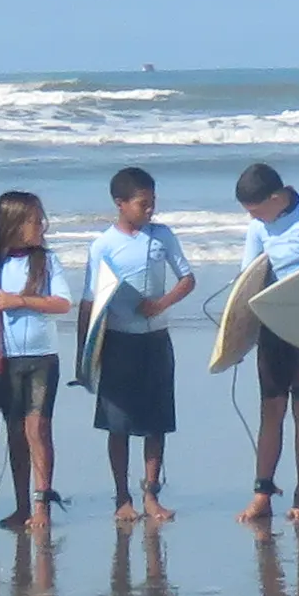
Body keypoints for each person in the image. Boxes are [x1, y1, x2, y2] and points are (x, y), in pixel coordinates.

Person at [230, 161, 299, 527]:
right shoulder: (258, 226)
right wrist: (237, 335)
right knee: (271, 407)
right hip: (274, 323)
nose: (256, 218)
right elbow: (249, 279)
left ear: (277, 198)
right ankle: (262, 492)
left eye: (258, 210)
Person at [87, 167, 196, 522]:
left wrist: (160, 304)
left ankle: (151, 495)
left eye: (153, 202)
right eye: (142, 204)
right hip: (118, 341)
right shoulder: (103, 245)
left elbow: (187, 278)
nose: (150, 210)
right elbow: (92, 301)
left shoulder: (162, 236)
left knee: (156, 422)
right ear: (120, 204)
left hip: (156, 339)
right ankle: (122, 497)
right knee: (118, 424)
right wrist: (85, 356)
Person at [0, 192, 76, 527]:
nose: (41, 225)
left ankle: (42, 502)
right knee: (15, 431)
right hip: (6, 359)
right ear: (12, 224)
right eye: (34, 219)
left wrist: (21, 301)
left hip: (42, 357)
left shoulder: (46, 261)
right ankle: (22, 504)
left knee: (37, 428)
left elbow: (62, 303)